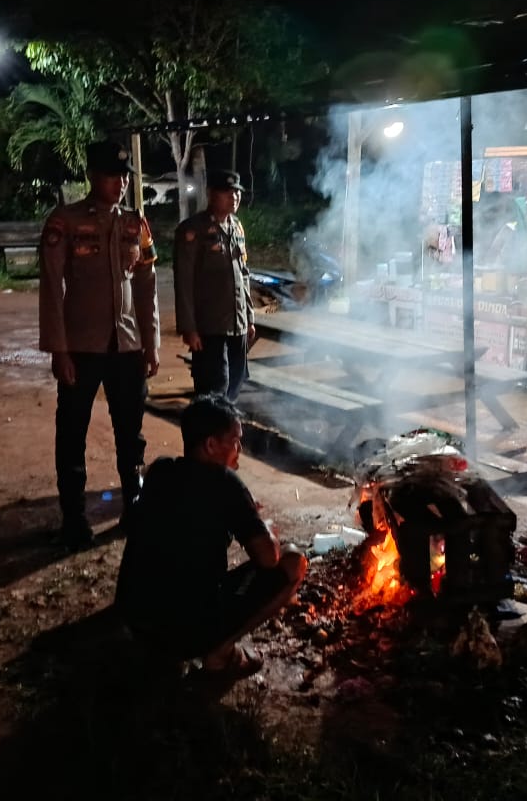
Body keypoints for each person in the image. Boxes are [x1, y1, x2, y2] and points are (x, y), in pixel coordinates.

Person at [115, 394, 307, 681]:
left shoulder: (161, 470)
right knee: (293, 560)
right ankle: (220, 652)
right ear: (210, 444)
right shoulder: (225, 484)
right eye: (235, 440)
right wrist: (263, 524)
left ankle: (159, 645)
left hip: (133, 619)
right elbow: (269, 557)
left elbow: (152, 521)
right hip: (183, 633)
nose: (239, 448)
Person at [39, 140, 161, 550]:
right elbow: (52, 289)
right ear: (92, 176)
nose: (121, 183)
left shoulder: (135, 224)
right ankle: (74, 519)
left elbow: (146, 287)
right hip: (82, 347)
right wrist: (59, 349)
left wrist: (152, 343)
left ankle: (135, 507)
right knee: (71, 433)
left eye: (125, 176)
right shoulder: (65, 222)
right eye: (113, 176)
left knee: (132, 433)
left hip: (126, 347)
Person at [173, 169, 256, 401]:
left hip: (237, 323)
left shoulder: (236, 227)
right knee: (214, 386)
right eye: (227, 193)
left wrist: (249, 318)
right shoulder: (193, 230)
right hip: (209, 326)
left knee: (236, 381)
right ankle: (208, 435)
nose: (234, 197)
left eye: (237, 193)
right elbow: (184, 282)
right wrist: (189, 328)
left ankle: (226, 433)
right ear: (211, 195)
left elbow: (244, 275)